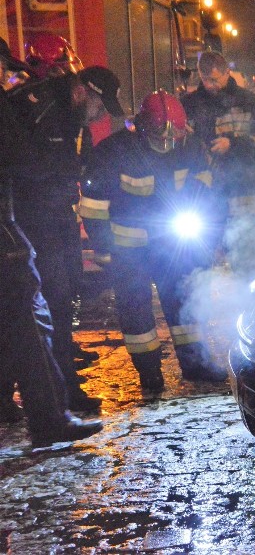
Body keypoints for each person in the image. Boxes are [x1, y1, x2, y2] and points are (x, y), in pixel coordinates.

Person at [79, 90, 229, 391]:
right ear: (142, 127)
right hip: (128, 250)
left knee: (184, 303)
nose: (166, 144)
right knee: (136, 313)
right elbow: (93, 207)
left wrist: (209, 241)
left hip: (174, 245)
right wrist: (105, 248)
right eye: (160, 138)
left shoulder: (190, 149)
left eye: (173, 139)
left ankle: (196, 365)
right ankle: (149, 374)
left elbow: (208, 196)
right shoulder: (113, 152)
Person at [0, 37, 102, 446]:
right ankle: (49, 416)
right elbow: (20, 159)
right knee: (31, 315)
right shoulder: (23, 104)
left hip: (31, 218)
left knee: (33, 313)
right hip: (17, 225)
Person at [8, 65, 126, 413]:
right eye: (100, 106)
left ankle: (61, 389)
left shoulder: (70, 115)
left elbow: (76, 162)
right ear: (82, 91)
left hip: (57, 217)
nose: (102, 115)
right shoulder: (40, 107)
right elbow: (24, 166)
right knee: (49, 304)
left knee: (64, 295)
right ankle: (60, 396)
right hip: (32, 221)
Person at [180, 51, 255, 210]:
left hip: (244, 193)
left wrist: (232, 145)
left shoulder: (249, 102)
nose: (210, 85)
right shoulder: (189, 105)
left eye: (214, 80)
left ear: (227, 73)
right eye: (205, 80)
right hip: (204, 196)